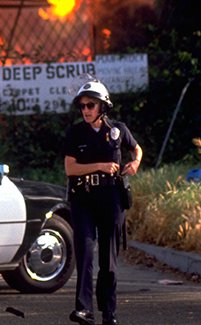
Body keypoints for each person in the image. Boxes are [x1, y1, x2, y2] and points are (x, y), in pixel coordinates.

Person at [63, 78, 142, 325]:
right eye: (82, 106)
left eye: (90, 105)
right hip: (83, 199)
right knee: (85, 254)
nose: (85, 110)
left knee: (108, 259)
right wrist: (100, 166)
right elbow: (70, 168)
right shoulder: (75, 133)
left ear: (102, 107)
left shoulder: (117, 130)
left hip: (111, 198)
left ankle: (109, 313)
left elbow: (136, 149)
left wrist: (135, 163)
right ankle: (84, 310)